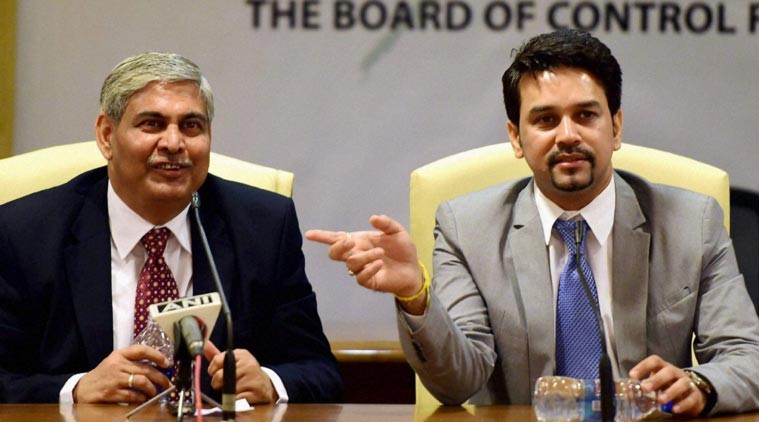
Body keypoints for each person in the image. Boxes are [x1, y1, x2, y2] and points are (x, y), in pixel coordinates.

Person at [307, 29, 759, 417]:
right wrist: (415, 294)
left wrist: (700, 384)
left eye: (586, 115)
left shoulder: (690, 223)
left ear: (616, 127)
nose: (568, 135)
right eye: (545, 120)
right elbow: (457, 382)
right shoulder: (467, 228)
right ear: (516, 138)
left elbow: (747, 357)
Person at [0, 52, 342, 404]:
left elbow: (319, 371)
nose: (174, 143)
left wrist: (269, 383)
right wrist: (76, 389)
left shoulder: (262, 227)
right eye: (152, 124)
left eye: (191, 126)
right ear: (106, 136)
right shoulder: (25, 233)